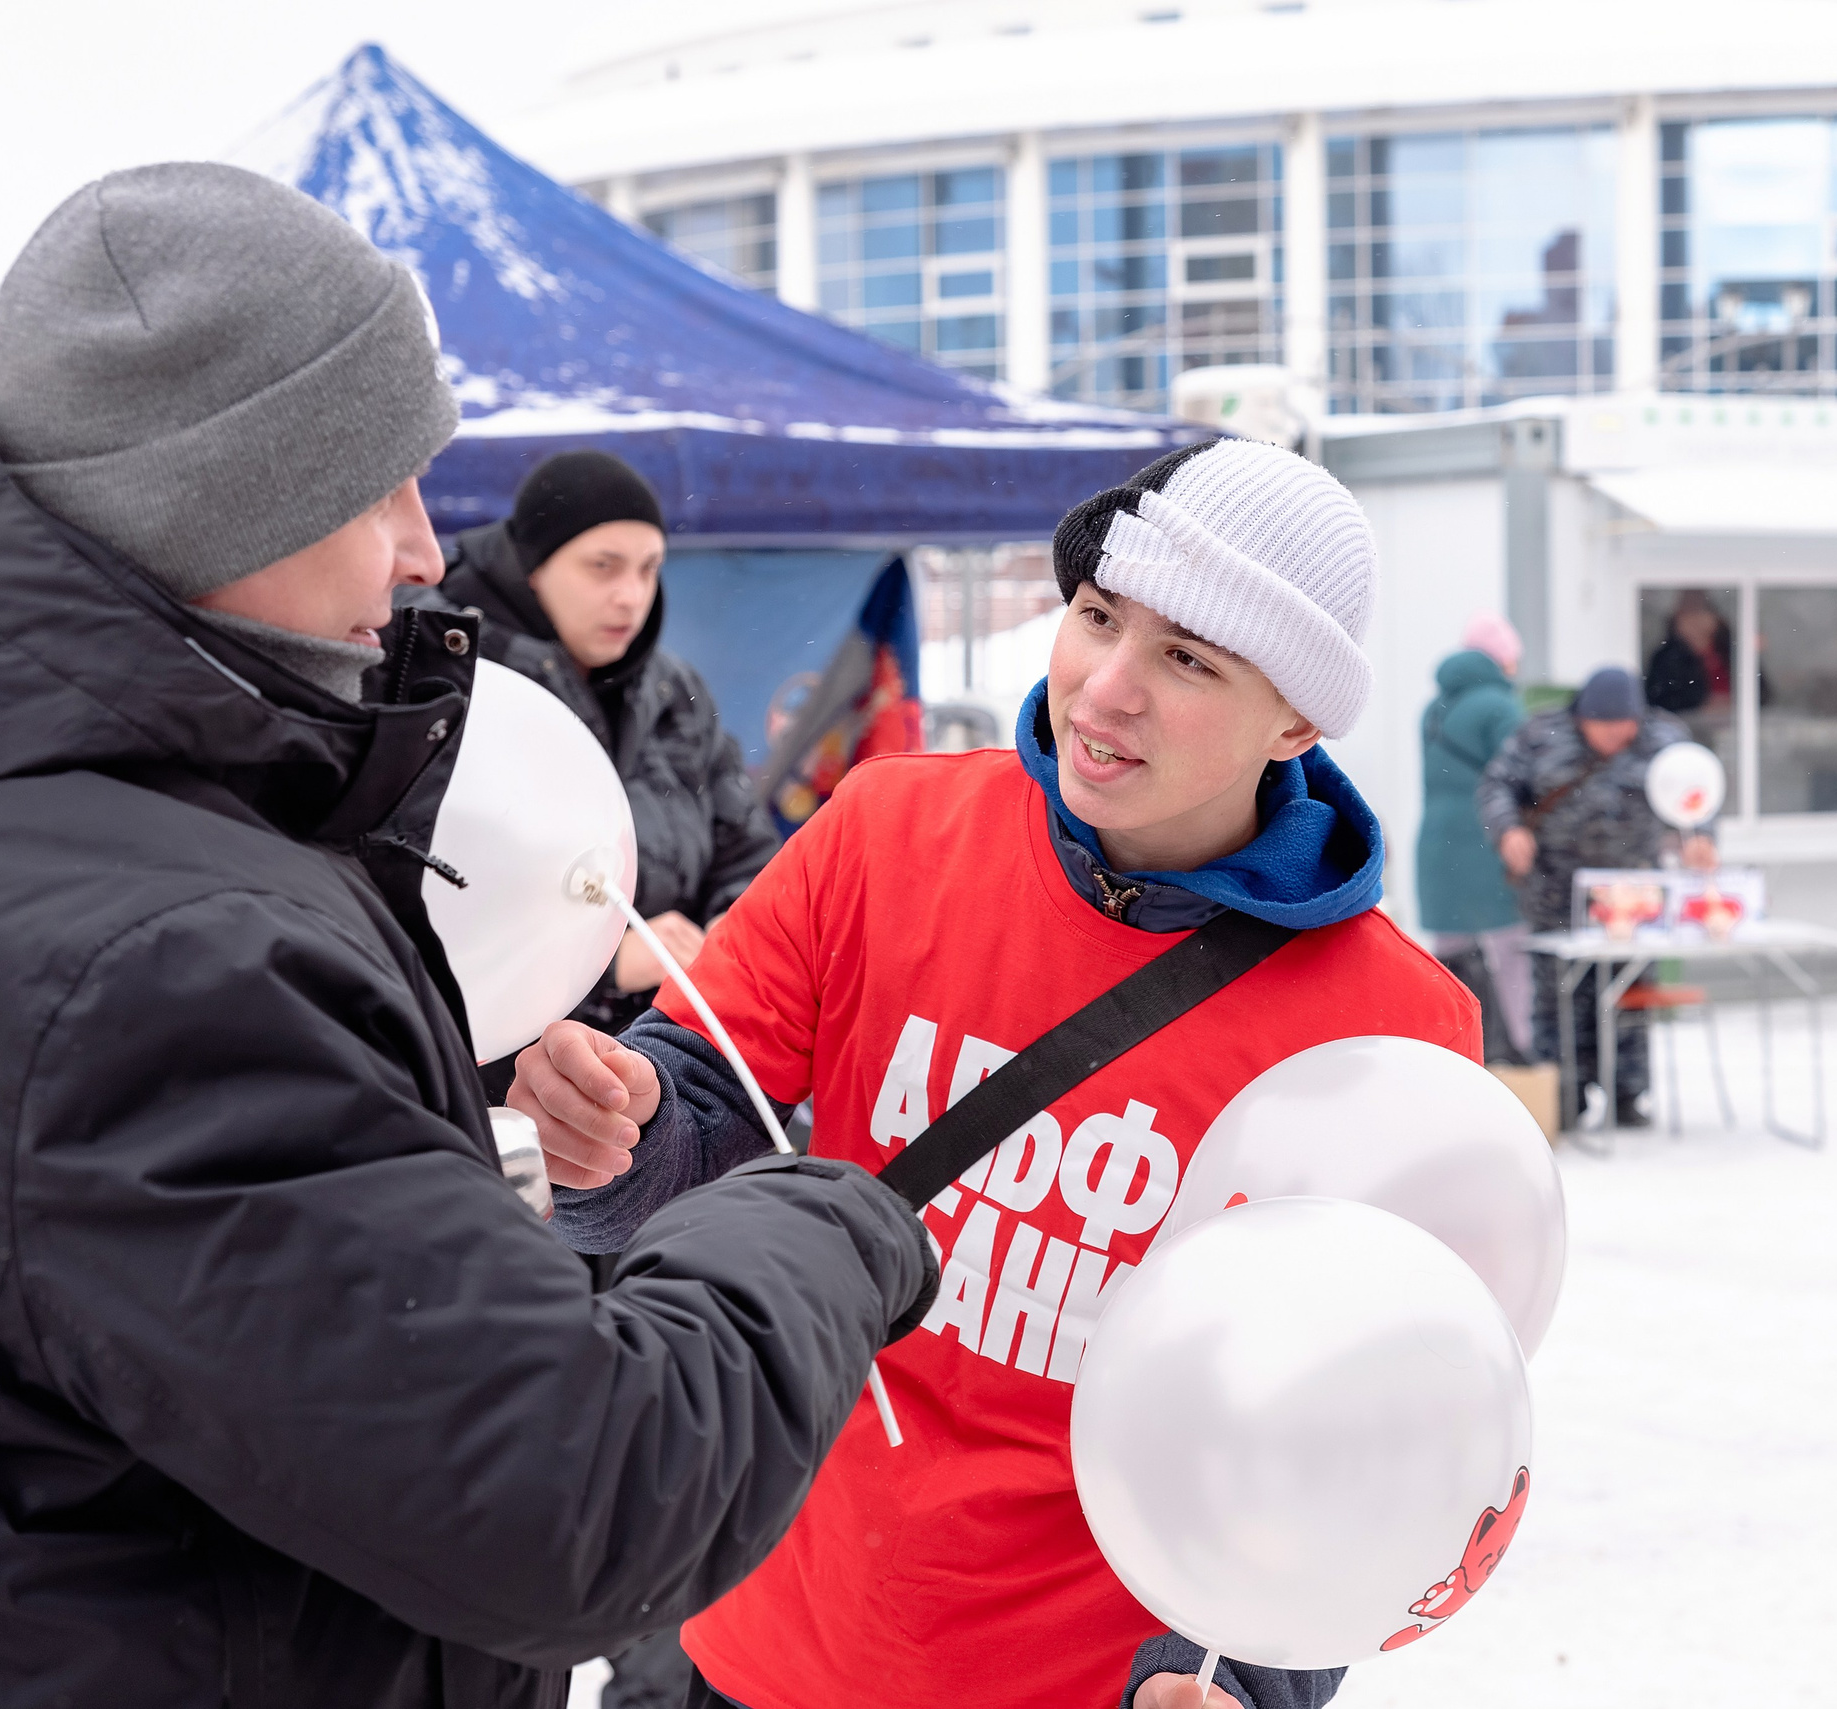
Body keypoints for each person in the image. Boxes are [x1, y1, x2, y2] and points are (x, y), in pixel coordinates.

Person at [0, 163, 935, 1707]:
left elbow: (85, 1247)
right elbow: (583, 1494)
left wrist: (423, 1115)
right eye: (373, 482)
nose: (420, 549)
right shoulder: (158, 964)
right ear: (220, 498)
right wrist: (820, 1221)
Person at [506, 438, 1479, 1709]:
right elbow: (705, 1118)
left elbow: (1371, 1446)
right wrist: (618, 1130)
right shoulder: (882, 831)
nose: (1104, 690)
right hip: (771, 1644)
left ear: (1295, 715)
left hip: (1088, 1680)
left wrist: (1253, 1682)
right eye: (1095, 618)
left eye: (1186, 658)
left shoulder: (1393, 1035)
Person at [414, 450, 780, 1068]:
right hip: (500, 1079)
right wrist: (607, 960)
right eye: (602, 567)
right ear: (529, 567)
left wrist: (729, 934)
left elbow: (746, 851)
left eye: (649, 569)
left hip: (668, 1057)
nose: (630, 596)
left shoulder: (674, 692)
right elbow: (426, 896)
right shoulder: (447, 679)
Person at [1477, 666, 1715, 1126]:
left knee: (1627, 994)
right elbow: (1497, 785)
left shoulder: (1664, 740)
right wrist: (1507, 832)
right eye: (1603, 726)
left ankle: (1628, 1094)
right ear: (1582, 716)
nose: (1614, 736)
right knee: (1559, 999)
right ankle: (1565, 1095)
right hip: (1554, 892)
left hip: (1634, 895)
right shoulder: (1540, 734)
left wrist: (1701, 836)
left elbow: (1697, 796)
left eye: (1623, 725)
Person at [1417, 610, 1533, 1060]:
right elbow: (1522, 780)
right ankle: (1523, 1055)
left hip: (1438, 845)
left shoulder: (1432, 709)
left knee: (1452, 956)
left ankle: (1459, 1053)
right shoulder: (1501, 706)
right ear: (1503, 659)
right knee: (1512, 951)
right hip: (1487, 842)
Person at [1643, 589, 1733, 717]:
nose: (1695, 621)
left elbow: (1761, 693)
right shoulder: (1666, 659)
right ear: (1676, 620)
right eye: (1688, 613)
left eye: (1700, 611)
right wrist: (1701, 707)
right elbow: (1658, 702)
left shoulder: (1732, 652)